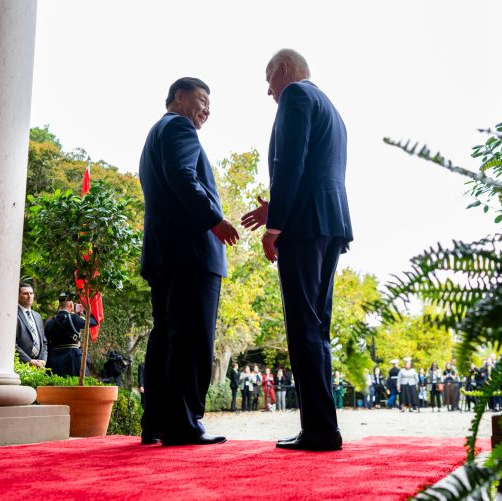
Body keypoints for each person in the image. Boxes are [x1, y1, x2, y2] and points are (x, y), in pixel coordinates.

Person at [241, 49, 351, 452]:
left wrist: (275, 225)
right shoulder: (331, 108)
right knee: (316, 327)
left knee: (303, 328)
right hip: (329, 222)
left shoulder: (296, 96)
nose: (269, 91)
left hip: (304, 228)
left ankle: (319, 431)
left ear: (284, 71)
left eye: (269, 80)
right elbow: (316, 169)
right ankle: (323, 427)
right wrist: (276, 207)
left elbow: (290, 162)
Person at [138, 77, 239, 446]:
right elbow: (183, 176)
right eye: (201, 99)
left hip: (165, 253)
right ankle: (184, 424)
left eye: (210, 105)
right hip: (190, 254)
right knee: (191, 338)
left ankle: (157, 424)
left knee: (165, 337)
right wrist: (214, 218)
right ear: (178, 97)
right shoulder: (178, 126)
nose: (206, 110)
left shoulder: (156, 132)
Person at [44, 292, 98, 377]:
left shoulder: (49, 322)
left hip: (54, 361)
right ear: (71, 304)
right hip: (72, 359)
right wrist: (85, 310)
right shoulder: (74, 318)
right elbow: (94, 322)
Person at [15, 283, 47, 368]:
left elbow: (44, 342)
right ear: (17, 296)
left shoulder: (37, 316)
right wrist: (29, 361)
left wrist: (43, 360)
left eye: (31, 293)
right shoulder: (13, 314)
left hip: (38, 365)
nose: (29, 296)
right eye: (25, 293)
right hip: (21, 365)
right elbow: (12, 344)